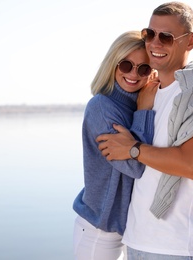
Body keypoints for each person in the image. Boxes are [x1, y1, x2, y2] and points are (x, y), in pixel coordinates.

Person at [96, 2, 193, 259]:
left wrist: (133, 149)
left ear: (190, 41)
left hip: (177, 246)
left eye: (166, 37)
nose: (155, 43)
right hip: (137, 240)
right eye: (150, 34)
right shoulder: (149, 94)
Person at [72, 30, 159, 260]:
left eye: (143, 68)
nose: (134, 74)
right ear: (113, 64)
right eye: (126, 65)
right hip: (98, 232)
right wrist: (143, 111)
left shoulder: (140, 104)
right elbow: (135, 166)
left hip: (123, 231)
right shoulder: (102, 107)